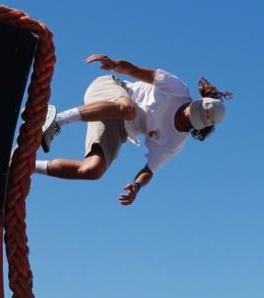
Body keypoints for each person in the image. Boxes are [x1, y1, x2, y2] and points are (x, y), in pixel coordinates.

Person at [35, 53, 232, 206]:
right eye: (193, 109)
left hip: (120, 127)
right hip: (113, 90)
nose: (187, 114)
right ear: (197, 101)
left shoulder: (175, 142)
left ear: (199, 127)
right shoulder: (177, 89)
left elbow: (150, 169)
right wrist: (114, 64)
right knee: (128, 109)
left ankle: (28, 166)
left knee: (92, 170)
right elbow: (135, 71)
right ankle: (56, 121)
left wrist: (137, 186)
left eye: (193, 119)